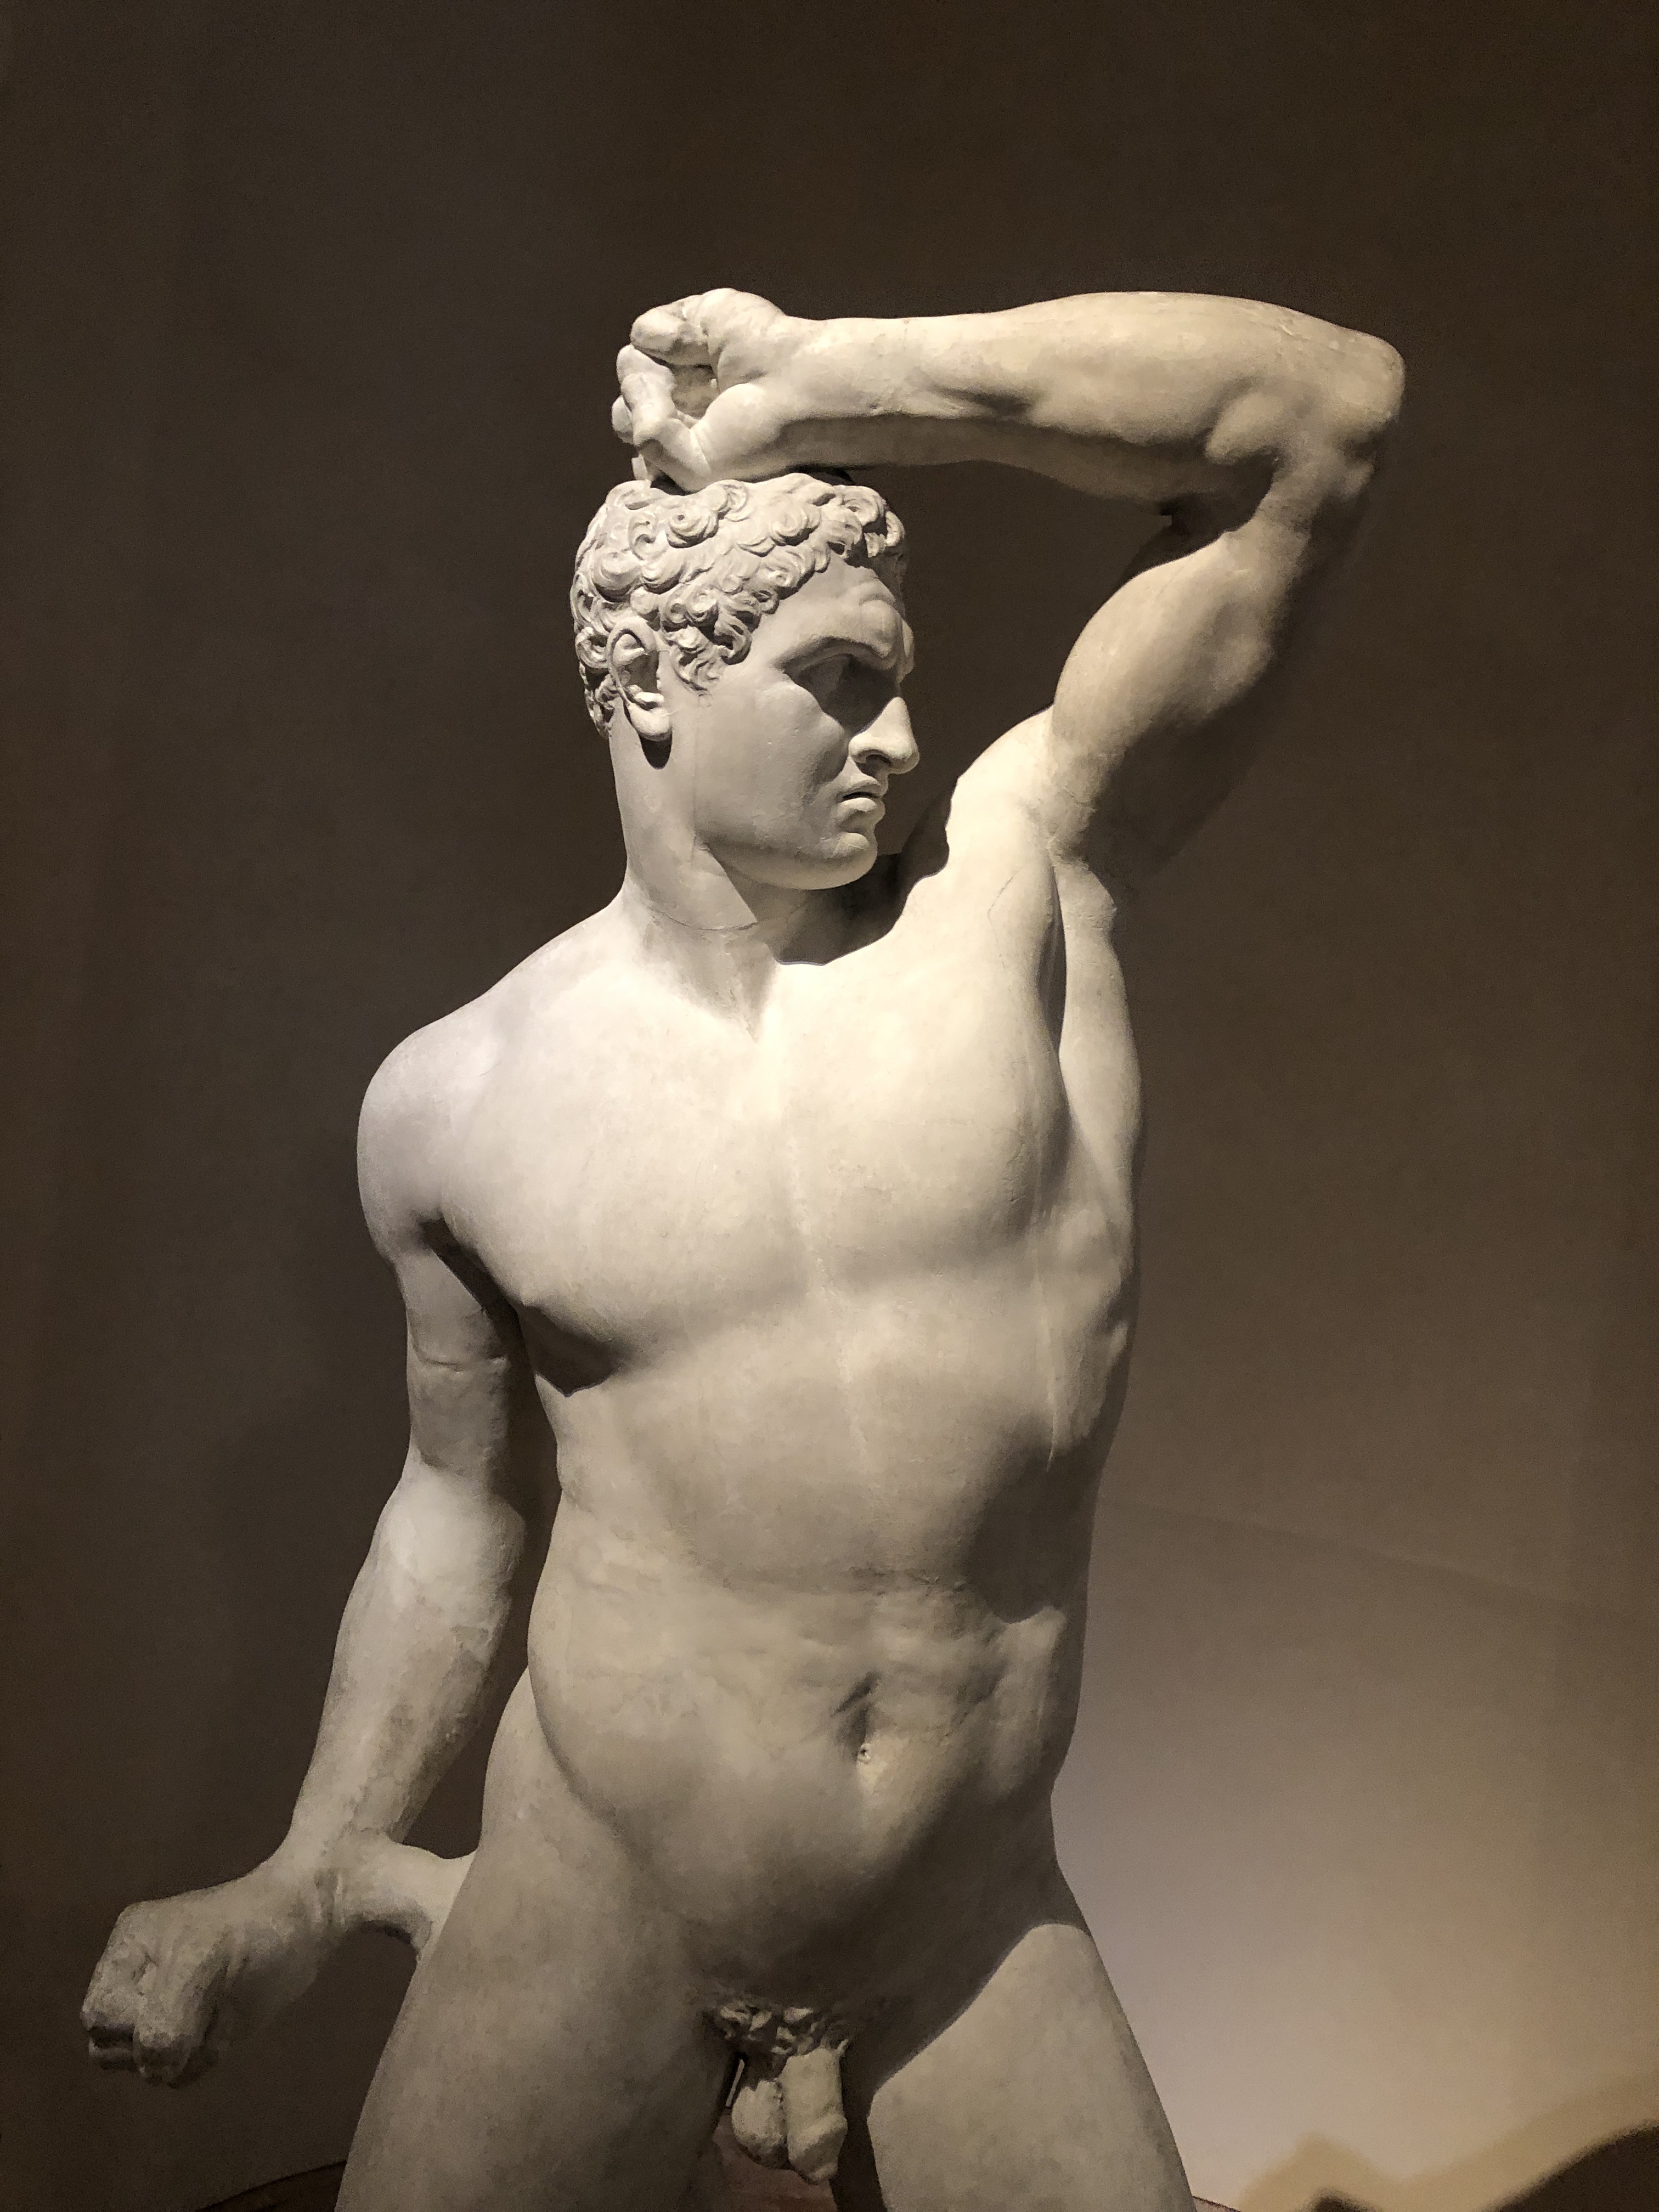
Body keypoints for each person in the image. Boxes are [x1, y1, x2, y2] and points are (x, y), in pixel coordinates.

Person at [83, 288, 1402, 2211]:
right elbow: (454, 1506)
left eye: (902, 681)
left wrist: (832, 381)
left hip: (965, 1922)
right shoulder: (460, 1097)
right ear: (651, 686)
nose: (904, 738)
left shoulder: (1023, 897)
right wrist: (310, 1866)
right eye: (838, 681)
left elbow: (1322, 417)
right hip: (597, 1903)